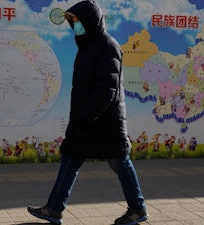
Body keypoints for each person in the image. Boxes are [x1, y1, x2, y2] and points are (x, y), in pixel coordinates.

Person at [27, 1, 148, 224]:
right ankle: (53, 209)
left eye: (76, 20)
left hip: (105, 122)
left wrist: (87, 117)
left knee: (119, 161)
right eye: (71, 22)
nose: (74, 25)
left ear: (89, 20)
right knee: (70, 158)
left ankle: (137, 209)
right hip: (86, 120)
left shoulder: (107, 45)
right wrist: (81, 119)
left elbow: (107, 90)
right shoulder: (88, 46)